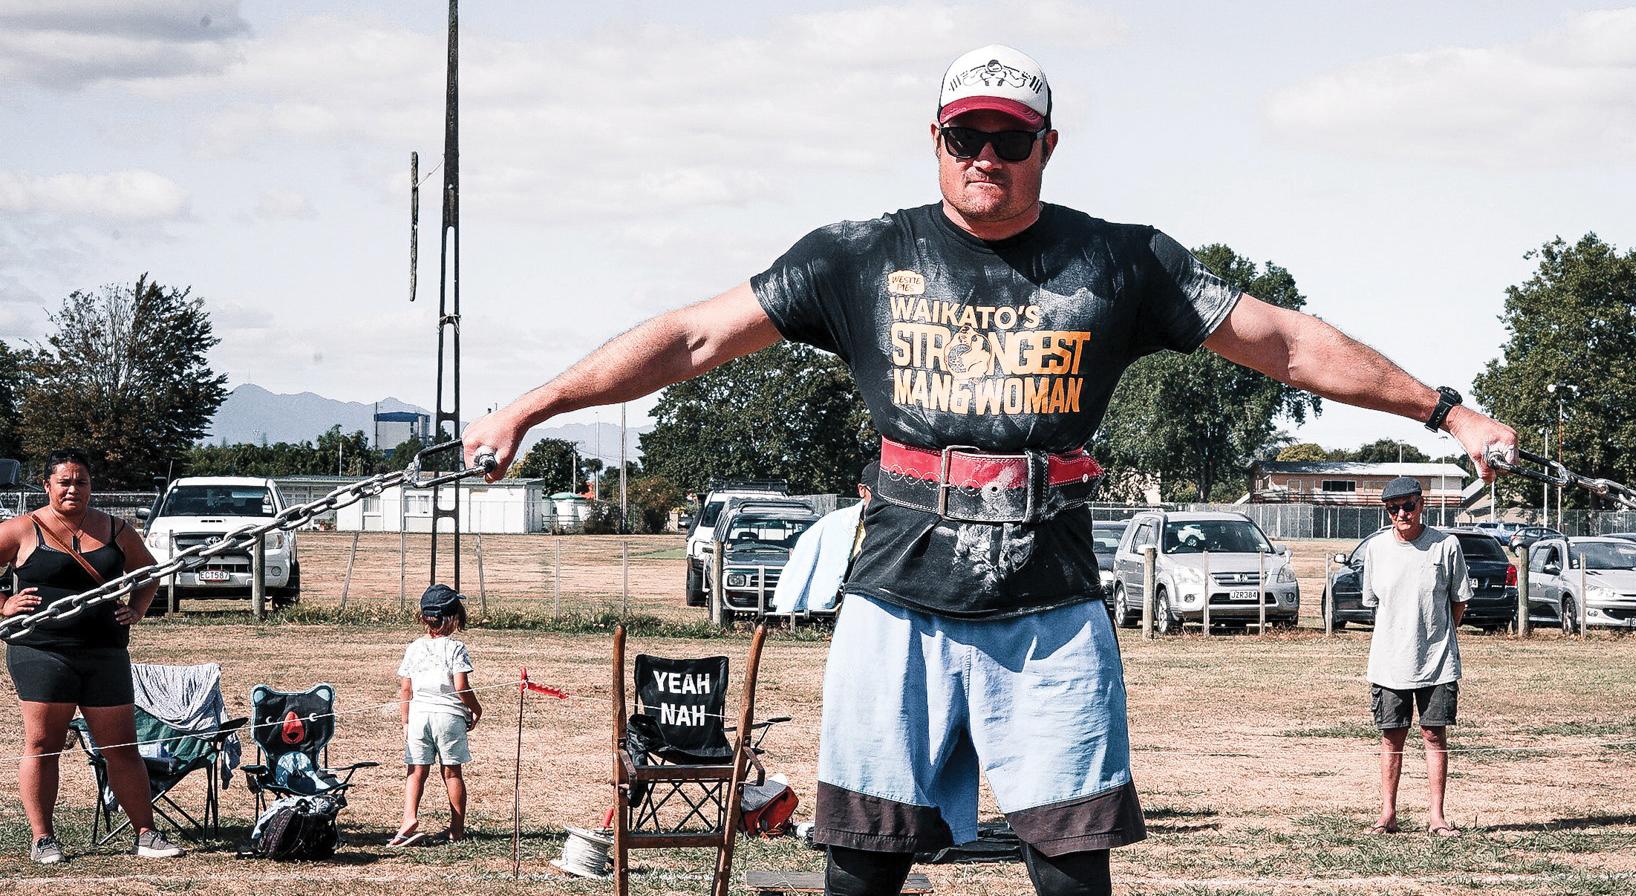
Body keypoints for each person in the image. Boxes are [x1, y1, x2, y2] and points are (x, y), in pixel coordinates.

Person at [461, 44, 1517, 896]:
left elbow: (1285, 344)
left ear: (1045, 146)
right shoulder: (858, 254)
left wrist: (1445, 409)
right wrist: (532, 405)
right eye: (965, 135)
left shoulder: (1122, 261)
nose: (985, 156)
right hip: (897, 592)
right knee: (861, 854)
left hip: (1049, 600)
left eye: (1008, 139)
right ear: (935, 139)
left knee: (1067, 858)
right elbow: (694, 338)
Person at [0, 448, 182, 862]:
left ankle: (146, 834)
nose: (73, 489)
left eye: (81, 481)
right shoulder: (21, 530)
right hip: (41, 651)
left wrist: (137, 608)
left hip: (105, 652)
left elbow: (147, 573)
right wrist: (4, 604)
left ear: (90, 486)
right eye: (64, 482)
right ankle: (43, 838)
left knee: (120, 745)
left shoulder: (117, 530)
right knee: (44, 742)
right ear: (46, 486)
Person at [1358, 476, 1472, 837]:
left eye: (1408, 505)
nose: (1401, 514)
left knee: (1433, 735)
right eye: (1393, 509)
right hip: (1389, 663)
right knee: (1392, 737)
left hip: (1437, 662)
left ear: (1422, 504)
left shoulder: (1446, 545)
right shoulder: (1376, 550)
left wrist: (1439, 637)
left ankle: (1437, 817)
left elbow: (1459, 602)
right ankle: (1387, 815)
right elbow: (1373, 605)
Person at [392, 584, 484, 846]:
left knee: (416, 770)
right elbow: (461, 687)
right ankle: (456, 829)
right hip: (448, 718)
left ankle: (408, 818)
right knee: (452, 773)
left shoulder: (414, 648)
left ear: (424, 617)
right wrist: (476, 710)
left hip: (419, 716)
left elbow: (406, 689)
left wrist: (406, 722)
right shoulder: (455, 648)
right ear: (454, 618)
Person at [771, 461, 877, 617]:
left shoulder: (898, 525)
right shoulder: (834, 523)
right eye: (877, 492)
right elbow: (805, 557)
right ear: (862, 490)